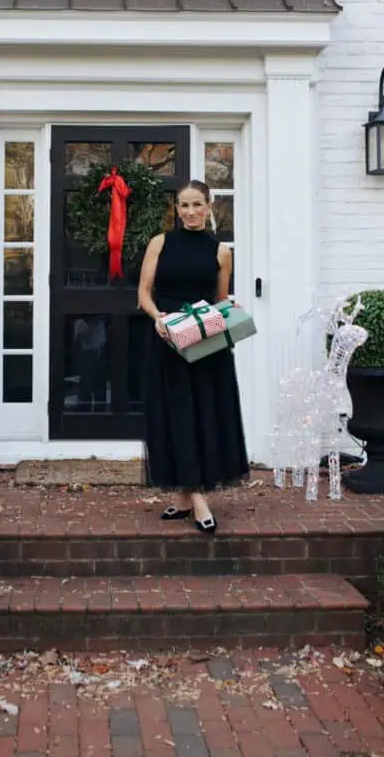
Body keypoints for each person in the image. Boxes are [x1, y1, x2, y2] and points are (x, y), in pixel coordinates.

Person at [137, 180, 249, 533]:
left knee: (202, 415)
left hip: (207, 346)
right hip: (168, 340)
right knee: (175, 415)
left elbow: (219, 299)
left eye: (197, 204)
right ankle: (191, 496)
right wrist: (159, 318)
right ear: (177, 208)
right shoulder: (160, 243)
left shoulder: (221, 252)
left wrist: (230, 307)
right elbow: (143, 293)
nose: (190, 212)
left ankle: (193, 496)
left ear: (209, 207)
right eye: (183, 205)